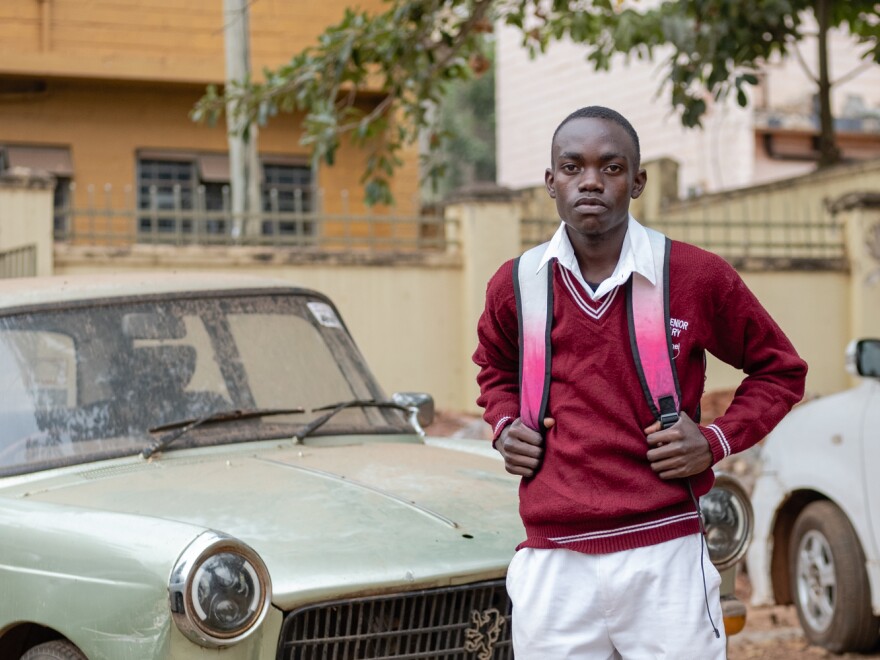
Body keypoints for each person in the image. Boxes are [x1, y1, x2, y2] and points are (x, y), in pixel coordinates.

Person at [472, 106, 807, 659]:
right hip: (555, 559)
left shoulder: (694, 276)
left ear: (637, 181)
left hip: (666, 551)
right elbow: (495, 367)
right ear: (551, 181)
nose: (591, 182)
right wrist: (506, 424)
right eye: (572, 167)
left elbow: (780, 369)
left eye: (611, 167)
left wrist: (716, 440)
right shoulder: (518, 284)